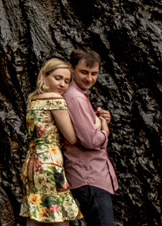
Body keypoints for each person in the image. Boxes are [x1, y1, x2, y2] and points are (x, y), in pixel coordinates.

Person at [19, 58, 82, 224]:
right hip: (49, 163)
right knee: (59, 215)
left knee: (36, 213)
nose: (62, 84)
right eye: (58, 78)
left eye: (67, 81)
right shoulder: (55, 99)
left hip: (32, 163)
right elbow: (72, 137)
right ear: (44, 77)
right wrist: (97, 123)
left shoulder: (33, 100)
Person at [63, 48, 118, 226]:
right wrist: (104, 130)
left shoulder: (79, 96)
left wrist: (97, 118)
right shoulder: (75, 98)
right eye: (84, 72)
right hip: (88, 175)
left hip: (93, 176)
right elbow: (90, 140)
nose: (89, 78)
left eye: (94, 74)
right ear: (71, 69)